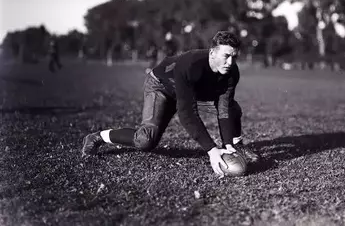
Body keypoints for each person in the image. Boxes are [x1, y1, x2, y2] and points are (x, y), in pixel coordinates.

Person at [81, 31, 259, 176]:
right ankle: (97, 136)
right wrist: (212, 150)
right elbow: (187, 114)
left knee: (232, 108)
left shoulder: (232, 72)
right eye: (226, 56)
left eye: (234, 57)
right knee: (145, 140)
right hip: (162, 87)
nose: (230, 63)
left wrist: (227, 144)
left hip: (192, 92)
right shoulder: (190, 64)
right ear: (212, 52)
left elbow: (224, 108)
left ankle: (236, 146)